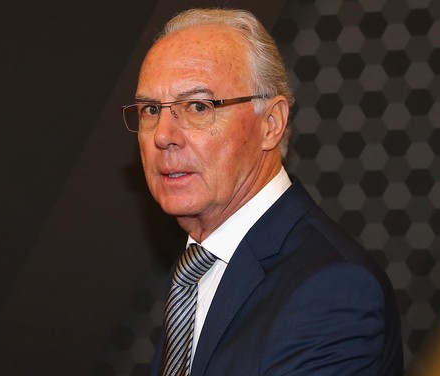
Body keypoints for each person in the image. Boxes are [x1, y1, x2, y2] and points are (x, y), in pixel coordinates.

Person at [122, 8, 403, 376]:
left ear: (271, 125)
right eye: (151, 109)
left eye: (198, 106)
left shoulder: (332, 289)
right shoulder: (197, 267)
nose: (162, 135)